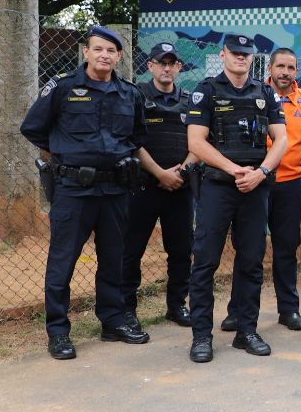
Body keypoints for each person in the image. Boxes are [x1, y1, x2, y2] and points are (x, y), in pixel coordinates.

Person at [21, 26, 150, 359]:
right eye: (98, 49)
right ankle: (59, 332)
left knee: (113, 259)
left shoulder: (130, 93)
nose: (104, 55)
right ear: (86, 52)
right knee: (63, 261)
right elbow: (32, 127)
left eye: (111, 50)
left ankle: (112, 321)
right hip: (73, 189)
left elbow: (137, 136)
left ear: (119, 56)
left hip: (115, 188)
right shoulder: (64, 87)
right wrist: (65, 152)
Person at [184, 33, 287, 363]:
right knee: (205, 261)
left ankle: (247, 330)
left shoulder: (265, 91)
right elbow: (196, 143)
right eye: (235, 53)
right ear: (223, 54)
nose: (241, 58)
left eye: (246, 54)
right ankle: (202, 336)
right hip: (218, 187)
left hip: (255, 188)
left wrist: (262, 173)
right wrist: (235, 171)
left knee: (252, 261)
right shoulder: (208, 90)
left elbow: (281, 139)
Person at [223, 47, 301, 333]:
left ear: (296, 71)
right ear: (270, 69)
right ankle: (237, 311)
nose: (285, 73)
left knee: (287, 248)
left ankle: (289, 309)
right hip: (255, 183)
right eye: (280, 67)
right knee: (249, 248)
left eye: (290, 67)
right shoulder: (253, 96)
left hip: (289, 185)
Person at [121, 42, 197, 329]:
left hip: (180, 187)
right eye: (160, 62)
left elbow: (200, 140)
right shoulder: (136, 97)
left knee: (180, 250)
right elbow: (131, 141)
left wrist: (182, 171)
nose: (166, 68)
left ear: (179, 67)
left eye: (171, 63)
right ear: (150, 66)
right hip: (143, 187)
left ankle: (177, 305)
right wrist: (159, 173)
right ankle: (127, 309)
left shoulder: (191, 100)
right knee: (132, 250)